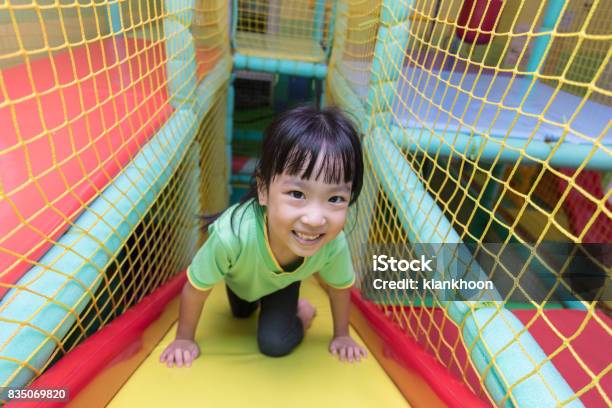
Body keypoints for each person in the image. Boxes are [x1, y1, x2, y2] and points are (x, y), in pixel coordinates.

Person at [159, 105, 367, 367]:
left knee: (274, 343)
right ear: (264, 190)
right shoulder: (231, 236)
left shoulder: (333, 243)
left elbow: (339, 289)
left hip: (283, 284)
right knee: (240, 313)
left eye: (335, 198)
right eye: (297, 194)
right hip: (240, 278)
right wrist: (184, 339)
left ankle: (302, 313)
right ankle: (252, 303)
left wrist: (342, 336)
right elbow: (196, 289)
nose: (315, 219)